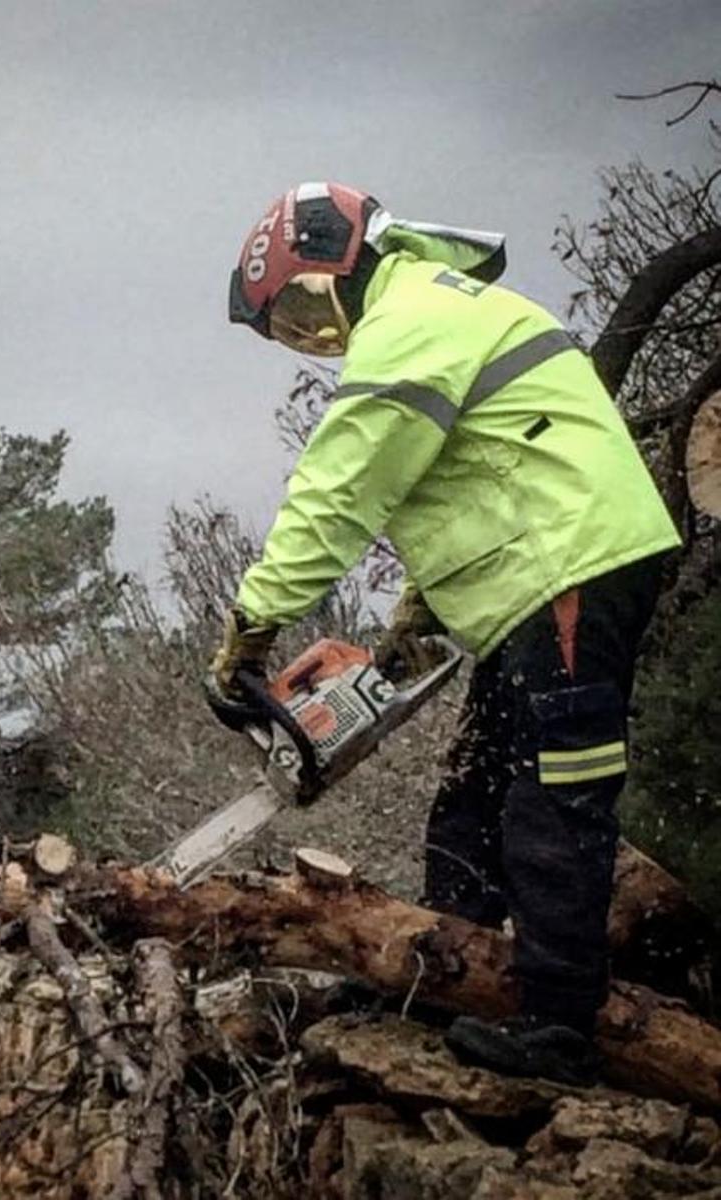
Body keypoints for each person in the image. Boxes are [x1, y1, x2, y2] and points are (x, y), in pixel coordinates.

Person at [209, 181, 681, 1086]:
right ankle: (442, 979)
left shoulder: (412, 319)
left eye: (307, 310)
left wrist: (249, 632)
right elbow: (480, 477)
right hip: (536, 575)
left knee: (553, 802)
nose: (315, 337)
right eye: (294, 328)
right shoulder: (439, 311)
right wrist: (412, 628)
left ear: (346, 266)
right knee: (470, 799)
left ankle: (558, 1032)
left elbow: (341, 489)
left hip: (571, 569)